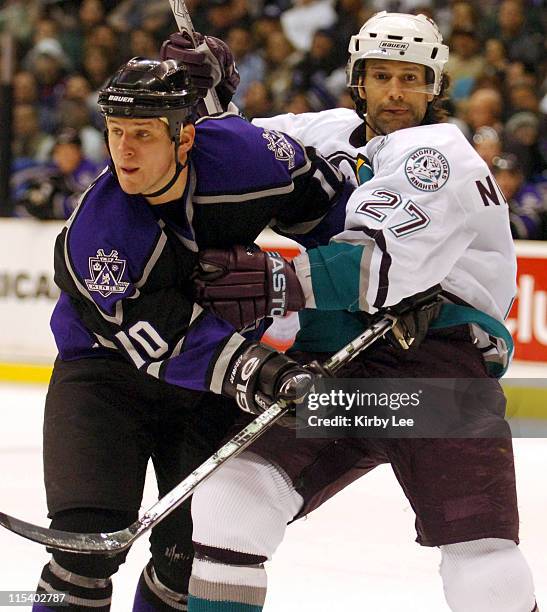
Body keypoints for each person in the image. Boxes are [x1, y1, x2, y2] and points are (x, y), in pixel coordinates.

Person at [163, 11, 538, 612]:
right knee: (233, 501)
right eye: (382, 75)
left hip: (432, 370)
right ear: (358, 79)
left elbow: (377, 267)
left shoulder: (439, 154)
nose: (395, 91)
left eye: (411, 78)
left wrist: (275, 280)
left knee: (482, 557)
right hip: (340, 366)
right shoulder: (328, 129)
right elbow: (240, 154)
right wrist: (204, 92)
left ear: (435, 85)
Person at [32, 55, 353, 612]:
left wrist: (370, 272)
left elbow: (324, 203)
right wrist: (265, 371)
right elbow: (166, 343)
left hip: (206, 390)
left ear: (184, 139)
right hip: (104, 377)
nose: (124, 152)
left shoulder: (248, 157)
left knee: (193, 554)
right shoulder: (101, 234)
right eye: (115, 133)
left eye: (143, 135)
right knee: (84, 550)